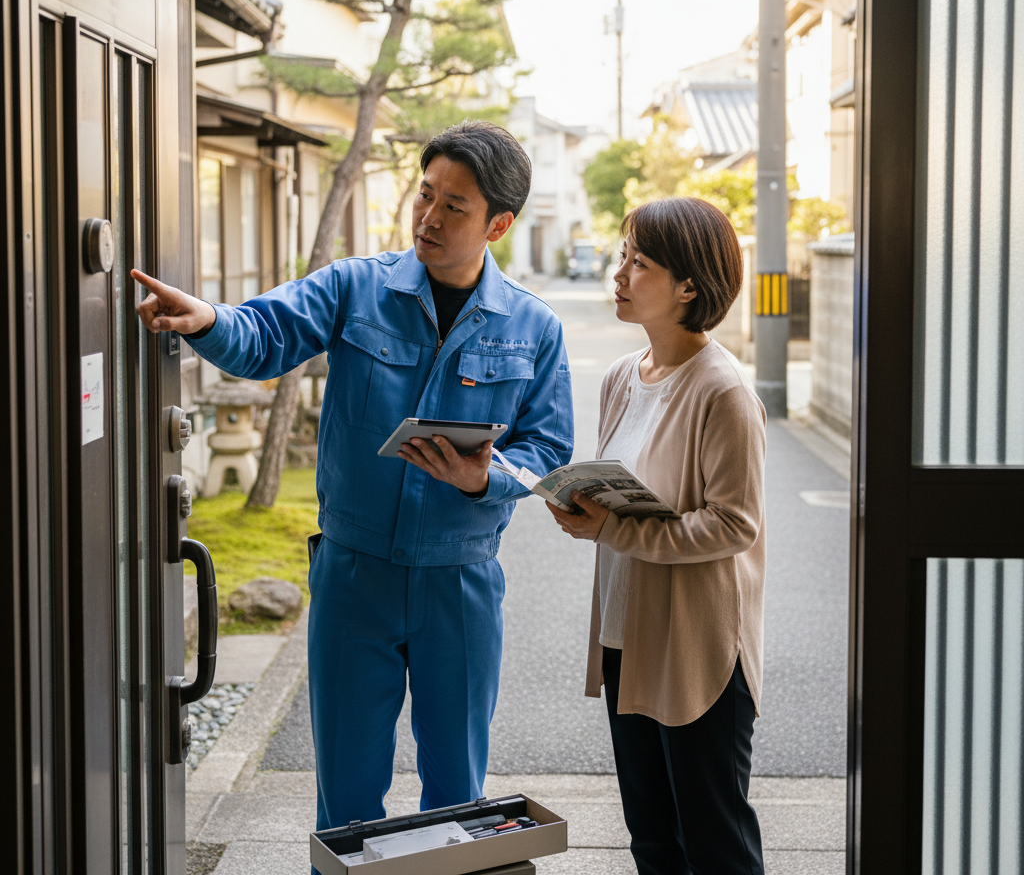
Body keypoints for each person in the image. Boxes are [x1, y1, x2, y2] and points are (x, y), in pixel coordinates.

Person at [132, 121, 574, 843]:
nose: (429, 217)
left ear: (498, 224)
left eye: (454, 206)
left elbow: (548, 448)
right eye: (425, 195)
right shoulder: (354, 287)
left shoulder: (533, 326)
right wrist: (207, 319)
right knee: (346, 792)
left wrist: (485, 476)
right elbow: (263, 336)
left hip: (460, 582)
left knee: (457, 790)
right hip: (353, 575)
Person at [547, 197, 766, 875]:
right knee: (651, 839)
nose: (619, 275)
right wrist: (586, 510)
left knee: (715, 845)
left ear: (688, 287)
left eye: (638, 263)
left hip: (698, 647)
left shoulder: (724, 392)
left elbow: (734, 523)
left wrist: (615, 528)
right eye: (623, 258)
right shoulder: (623, 376)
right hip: (628, 634)